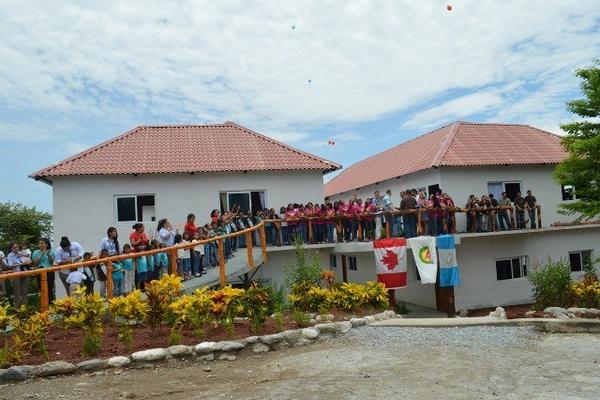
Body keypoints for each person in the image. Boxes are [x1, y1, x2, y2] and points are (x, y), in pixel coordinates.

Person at [6, 242, 30, 306]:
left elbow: (29, 260)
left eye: (17, 247)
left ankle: (24, 308)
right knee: (17, 292)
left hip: (25, 273)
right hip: (16, 274)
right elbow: (10, 266)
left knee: (25, 292)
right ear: (11, 249)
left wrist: (28, 262)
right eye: (14, 248)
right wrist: (20, 264)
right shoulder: (10, 255)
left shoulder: (21, 253)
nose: (16, 249)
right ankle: (17, 309)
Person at [32, 238, 55, 303]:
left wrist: (49, 255)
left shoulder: (51, 251)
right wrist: (42, 254)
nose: (40, 244)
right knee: (41, 289)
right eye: (39, 243)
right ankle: (43, 305)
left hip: (49, 272)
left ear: (47, 244)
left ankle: (51, 304)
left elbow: (51, 262)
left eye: (42, 243)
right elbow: (35, 263)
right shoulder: (35, 252)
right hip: (40, 272)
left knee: (49, 289)